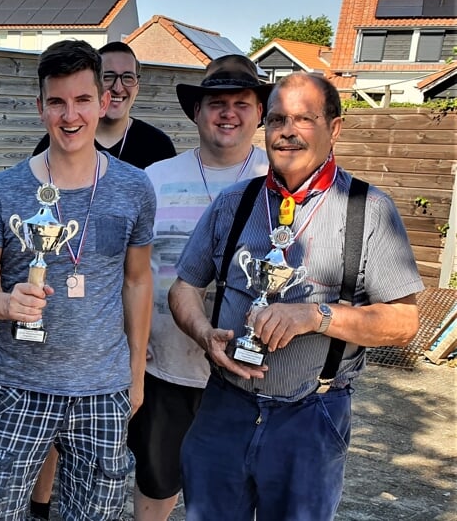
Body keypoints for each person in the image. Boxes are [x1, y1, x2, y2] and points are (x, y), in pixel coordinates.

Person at [169, 72, 422, 520]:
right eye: (278, 118)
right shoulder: (235, 202)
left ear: (335, 128)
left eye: (304, 119)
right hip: (224, 407)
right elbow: (185, 286)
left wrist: (317, 316)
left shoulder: (369, 210)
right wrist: (203, 332)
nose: (287, 131)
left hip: (311, 414)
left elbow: (403, 323)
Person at [0, 40, 155, 520]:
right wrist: (6, 304)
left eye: (83, 100)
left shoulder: (134, 187)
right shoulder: (4, 188)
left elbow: (138, 281)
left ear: (103, 102)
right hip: (17, 387)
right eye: (58, 102)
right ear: (40, 106)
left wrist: (137, 374)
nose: (71, 115)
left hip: (102, 389)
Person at [28, 40, 176, 518]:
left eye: (125, 77)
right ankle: (41, 506)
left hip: (111, 349)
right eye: (108, 76)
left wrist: (138, 349)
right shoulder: (43, 152)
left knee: (104, 472)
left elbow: (141, 270)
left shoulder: (155, 150)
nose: (117, 87)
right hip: (50, 342)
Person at [127, 54, 272, 521]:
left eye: (241, 103)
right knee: (156, 482)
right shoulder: (156, 178)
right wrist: (132, 341)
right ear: (196, 112)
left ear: (259, 113)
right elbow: (129, 270)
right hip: (165, 366)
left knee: (232, 495)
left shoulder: (281, 179)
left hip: (250, 375)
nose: (227, 112)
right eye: (216, 103)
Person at [31, 41, 176, 169]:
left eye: (128, 77)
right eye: (108, 77)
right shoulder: (56, 143)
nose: (118, 88)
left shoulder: (159, 145)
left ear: (137, 87)